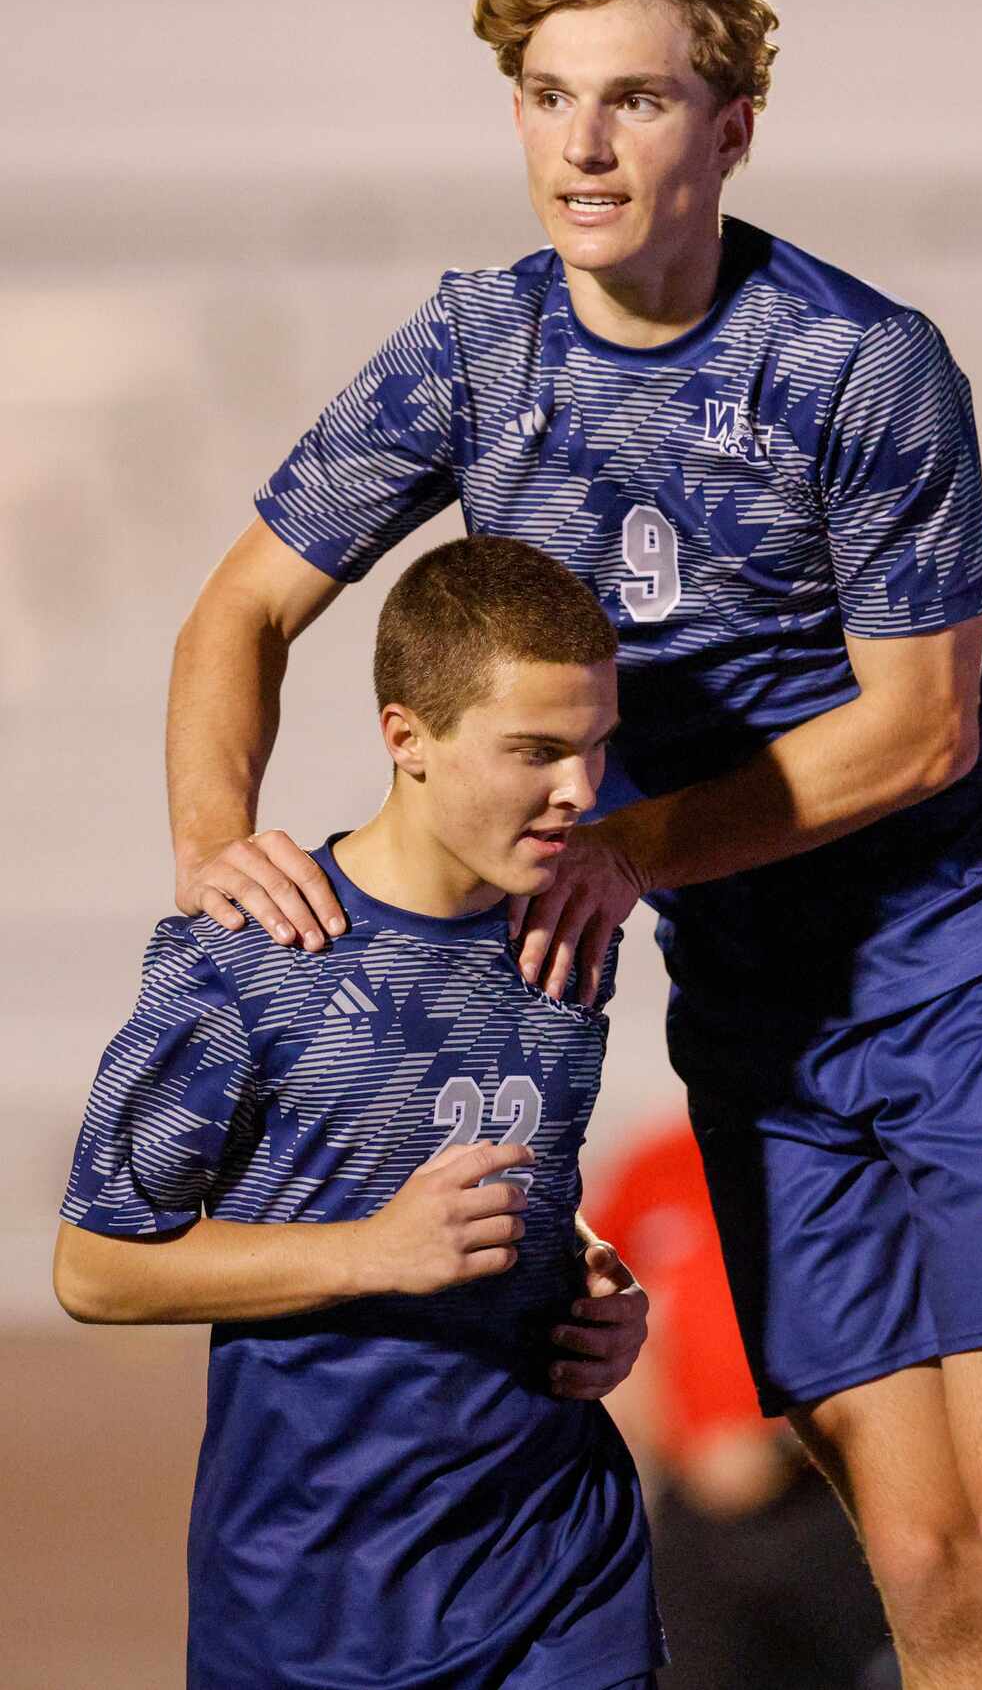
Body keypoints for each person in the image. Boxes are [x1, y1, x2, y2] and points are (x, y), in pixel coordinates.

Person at [164, 0, 982, 1688]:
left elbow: (918, 727)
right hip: (754, 1012)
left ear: (728, 126)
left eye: (635, 98)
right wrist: (213, 849)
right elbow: (244, 604)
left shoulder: (852, 361)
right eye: (549, 93)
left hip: (971, 973)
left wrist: (627, 847)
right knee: (924, 1563)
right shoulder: (470, 350)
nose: (582, 140)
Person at [54, 535, 666, 1690]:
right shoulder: (252, 958)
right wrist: (371, 1254)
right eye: (535, 750)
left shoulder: (571, 931)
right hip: (314, 1603)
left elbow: (507, 1174)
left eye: (594, 746)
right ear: (406, 739)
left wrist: (588, 1278)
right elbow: (93, 1267)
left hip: (558, 1566)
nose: (580, 791)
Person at [591, 1118, 898, 1690]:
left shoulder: (838, 1157)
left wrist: (781, 1445)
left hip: (825, 1488)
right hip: (694, 1501)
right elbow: (600, 1301)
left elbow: (883, 1317)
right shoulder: (657, 1165)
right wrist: (666, 1444)